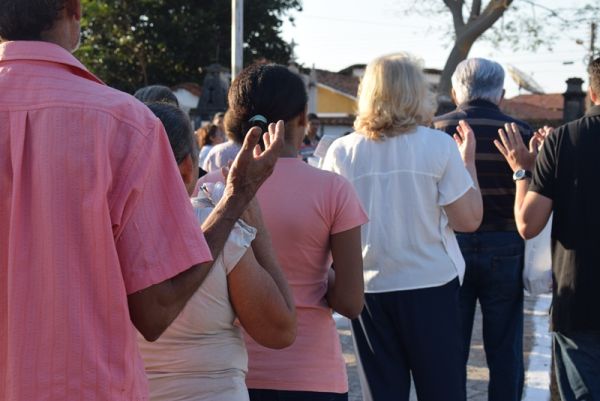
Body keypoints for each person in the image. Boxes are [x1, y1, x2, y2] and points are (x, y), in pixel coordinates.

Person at [0, 1, 283, 400]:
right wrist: (235, 198)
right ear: (74, 9)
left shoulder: (126, 123)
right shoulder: (125, 124)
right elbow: (156, 311)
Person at [322, 53, 483, 401]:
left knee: (382, 393)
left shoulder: (341, 151)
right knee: (442, 391)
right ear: (416, 92)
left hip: (369, 286)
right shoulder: (438, 145)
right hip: (431, 283)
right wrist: (467, 162)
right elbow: (468, 220)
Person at [211, 64, 367, 401]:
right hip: (312, 374)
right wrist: (318, 274)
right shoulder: (333, 190)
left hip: (225, 374)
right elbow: (351, 302)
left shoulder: (210, 188)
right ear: (302, 118)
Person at [137, 102, 296, 401]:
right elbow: (280, 330)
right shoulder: (219, 228)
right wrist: (254, 222)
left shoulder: (102, 233)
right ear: (188, 168)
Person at [493, 57, 600, 401]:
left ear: (592, 92)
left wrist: (524, 171)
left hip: (580, 297)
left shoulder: (565, 141)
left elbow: (528, 224)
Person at [432, 58, 533, 401]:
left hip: (450, 244)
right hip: (506, 244)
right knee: (505, 346)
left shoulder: (436, 132)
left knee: (450, 344)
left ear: (454, 92)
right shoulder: (520, 131)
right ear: (501, 94)